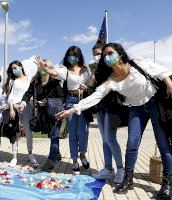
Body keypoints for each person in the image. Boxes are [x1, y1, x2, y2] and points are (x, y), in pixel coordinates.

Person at [56, 43, 172, 197]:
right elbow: (95, 96)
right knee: (132, 144)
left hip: (154, 103)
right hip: (137, 107)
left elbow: (161, 72)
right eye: (104, 56)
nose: (107, 57)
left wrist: (169, 84)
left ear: (120, 53)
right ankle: (128, 179)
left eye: (110, 53)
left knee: (163, 145)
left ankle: (167, 184)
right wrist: (74, 108)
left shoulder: (137, 63)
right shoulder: (111, 79)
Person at [42, 46, 91, 172]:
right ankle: (74, 160)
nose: (71, 57)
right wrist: (45, 68)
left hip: (84, 101)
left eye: (74, 55)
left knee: (83, 132)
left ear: (79, 56)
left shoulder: (86, 69)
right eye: (69, 55)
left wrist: (87, 87)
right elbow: (54, 72)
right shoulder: (66, 70)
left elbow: (92, 83)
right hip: (70, 101)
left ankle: (83, 155)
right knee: (73, 132)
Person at [89, 44, 125, 183]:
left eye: (100, 53)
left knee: (110, 139)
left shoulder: (114, 66)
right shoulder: (97, 69)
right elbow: (95, 87)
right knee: (105, 140)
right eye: (95, 54)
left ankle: (120, 169)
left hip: (112, 107)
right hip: (101, 108)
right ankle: (108, 169)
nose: (99, 56)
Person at [20, 59, 64, 171]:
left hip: (55, 113)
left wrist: (45, 101)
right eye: (41, 66)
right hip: (42, 115)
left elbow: (61, 97)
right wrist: (23, 102)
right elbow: (27, 93)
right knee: (51, 135)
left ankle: (50, 162)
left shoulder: (55, 82)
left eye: (45, 65)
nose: (43, 67)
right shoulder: (36, 82)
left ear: (50, 68)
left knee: (54, 136)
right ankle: (56, 152)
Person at [4, 60, 37, 167]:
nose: (14, 70)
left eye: (15, 67)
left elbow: (31, 93)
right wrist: (12, 109)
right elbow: (10, 96)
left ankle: (30, 153)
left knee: (28, 132)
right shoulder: (13, 81)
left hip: (27, 107)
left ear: (21, 67)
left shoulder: (29, 79)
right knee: (15, 132)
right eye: (12, 69)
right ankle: (14, 157)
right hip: (15, 107)